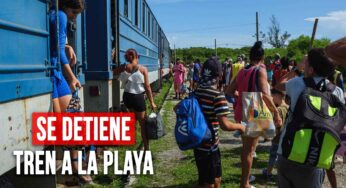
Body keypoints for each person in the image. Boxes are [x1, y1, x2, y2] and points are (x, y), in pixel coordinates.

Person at [274, 49, 345, 188]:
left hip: (288, 152)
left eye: (306, 64)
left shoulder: (297, 84)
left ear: (311, 69)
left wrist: (296, 68)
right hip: (316, 156)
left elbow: (278, 84)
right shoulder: (337, 91)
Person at [226, 41, 282, 188]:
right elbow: (264, 95)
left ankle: (245, 179)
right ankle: (244, 183)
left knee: (246, 149)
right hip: (254, 109)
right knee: (250, 150)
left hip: (242, 110)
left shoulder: (242, 71)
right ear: (262, 57)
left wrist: (241, 96)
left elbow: (229, 92)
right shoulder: (260, 70)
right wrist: (276, 113)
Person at [50, 0, 88, 184]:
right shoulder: (62, 16)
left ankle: (75, 168)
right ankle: (76, 167)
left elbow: (56, 44)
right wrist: (72, 77)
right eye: (75, 12)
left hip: (53, 73)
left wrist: (66, 46)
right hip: (55, 73)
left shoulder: (53, 14)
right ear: (67, 6)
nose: (74, 17)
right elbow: (58, 49)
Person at [194, 57, 245, 188]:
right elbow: (225, 125)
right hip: (209, 147)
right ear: (219, 75)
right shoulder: (217, 95)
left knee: (212, 178)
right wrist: (241, 126)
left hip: (198, 144)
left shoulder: (196, 92)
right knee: (209, 183)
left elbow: (177, 108)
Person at [118, 49, 157, 151]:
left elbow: (114, 72)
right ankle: (146, 148)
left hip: (127, 97)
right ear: (136, 56)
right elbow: (147, 86)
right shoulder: (143, 69)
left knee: (133, 119)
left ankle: (131, 143)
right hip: (137, 97)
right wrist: (152, 102)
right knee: (143, 123)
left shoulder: (124, 67)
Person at [262, 89, 289, 180]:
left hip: (277, 138)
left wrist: (269, 136)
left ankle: (268, 173)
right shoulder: (288, 107)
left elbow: (276, 125)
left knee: (273, 156)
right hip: (286, 137)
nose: (272, 99)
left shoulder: (278, 110)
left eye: (272, 96)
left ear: (279, 96)